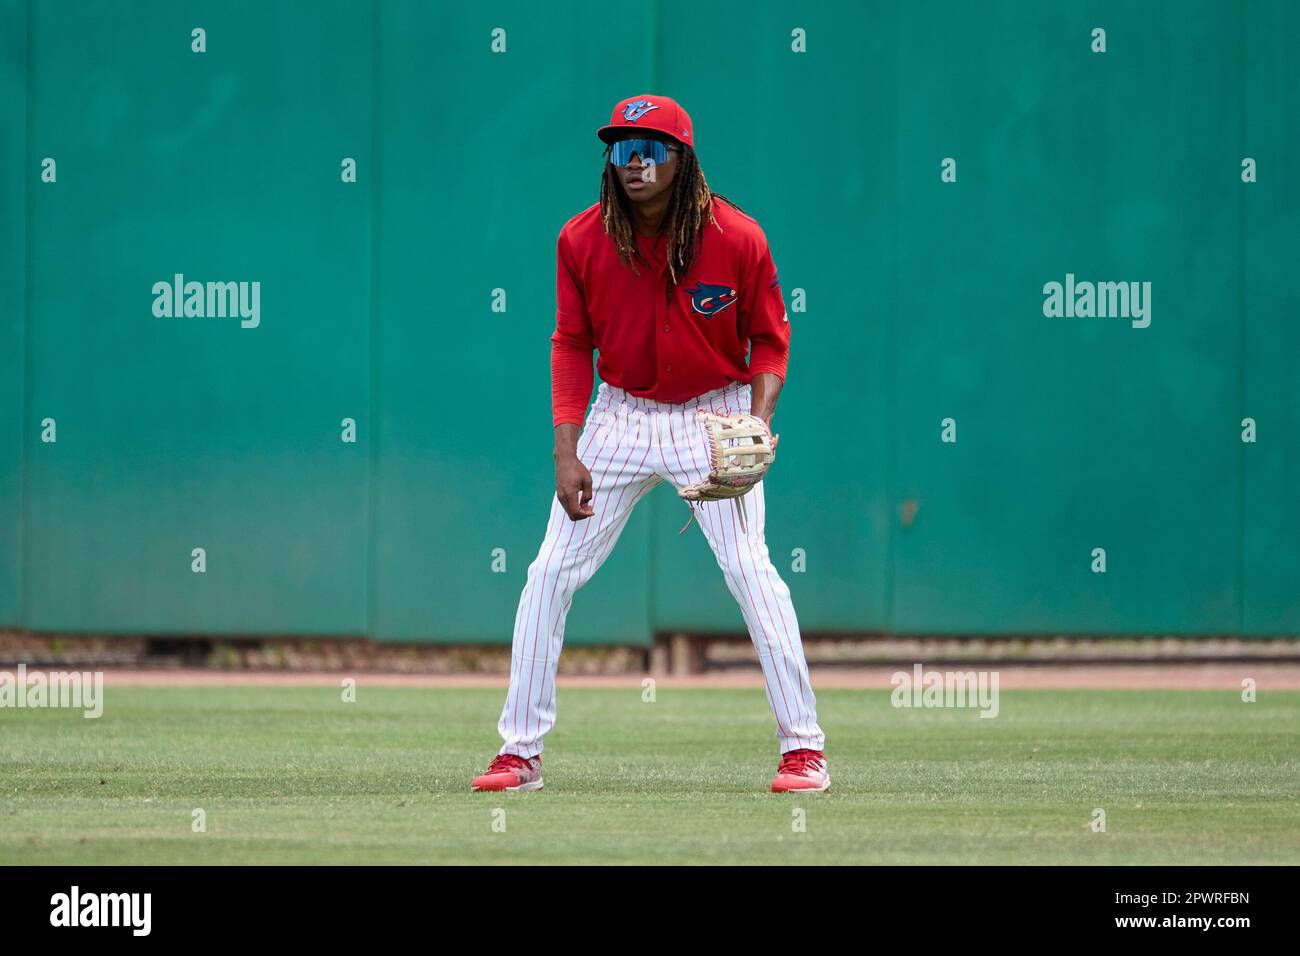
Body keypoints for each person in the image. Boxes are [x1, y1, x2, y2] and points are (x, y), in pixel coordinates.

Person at [471, 94, 827, 794]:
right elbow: (571, 342)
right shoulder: (580, 239)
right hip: (620, 417)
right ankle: (520, 753)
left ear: (682, 159)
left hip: (713, 416)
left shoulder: (737, 237)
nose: (634, 162)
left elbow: (769, 339)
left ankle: (803, 749)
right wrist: (565, 447)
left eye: (651, 148)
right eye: (620, 149)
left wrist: (757, 419)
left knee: (750, 570)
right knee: (548, 572)